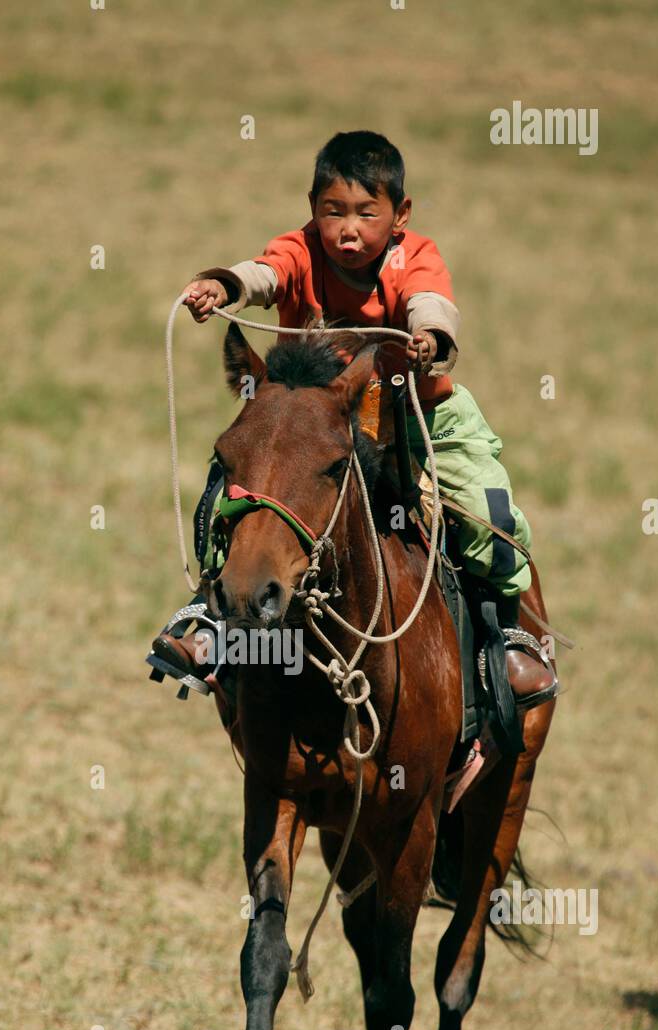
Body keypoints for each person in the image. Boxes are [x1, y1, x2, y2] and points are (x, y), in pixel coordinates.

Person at [147, 129, 556, 710]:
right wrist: (224, 284)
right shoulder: (300, 249)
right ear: (312, 209)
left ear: (400, 214)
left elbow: (430, 300)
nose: (348, 229)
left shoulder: (415, 256)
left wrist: (430, 337)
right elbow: (265, 273)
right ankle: (210, 619)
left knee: (489, 512)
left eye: (367, 213)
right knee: (231, 493)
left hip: (421, 414)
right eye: (332, 211)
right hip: (312, 423)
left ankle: (505, 635)